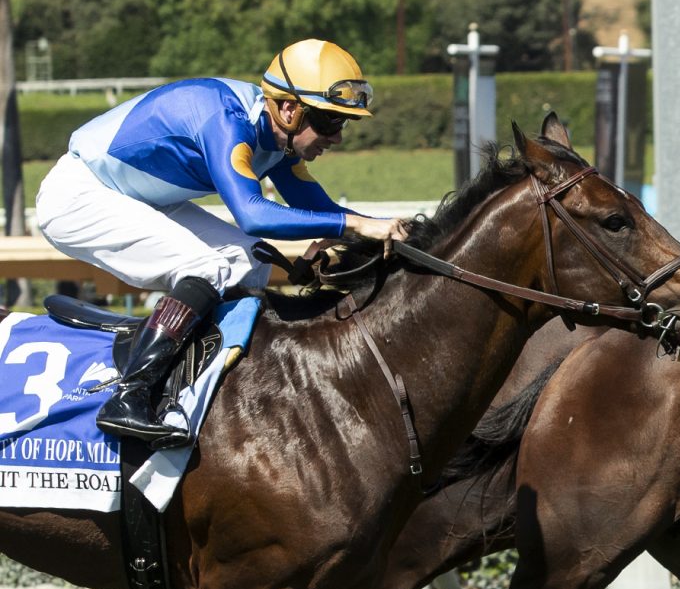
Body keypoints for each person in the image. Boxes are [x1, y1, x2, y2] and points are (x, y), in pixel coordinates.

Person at [36, 39, 407, 447]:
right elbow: (252, 213)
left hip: (136, 196)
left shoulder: (278, 135)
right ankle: (130, 397)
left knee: (250, 260)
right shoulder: (228, 121)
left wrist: (394, 229)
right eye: (330, 123)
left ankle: (223, 384)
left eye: (343, 124)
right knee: (206, 267)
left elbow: (312, 204)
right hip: (79, 195)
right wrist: (352, 224)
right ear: (289, 109)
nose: (336, 138)